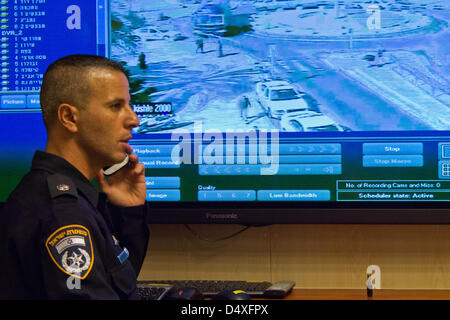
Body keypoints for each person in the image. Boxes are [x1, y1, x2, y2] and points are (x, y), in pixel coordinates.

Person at [0, 54, 149, 299]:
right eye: (115, 106)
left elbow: (117, 285)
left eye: (129, 105)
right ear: (69, 117)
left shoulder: (62, 197)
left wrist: (128, 213)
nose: (134, 119)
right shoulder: (63, 216)